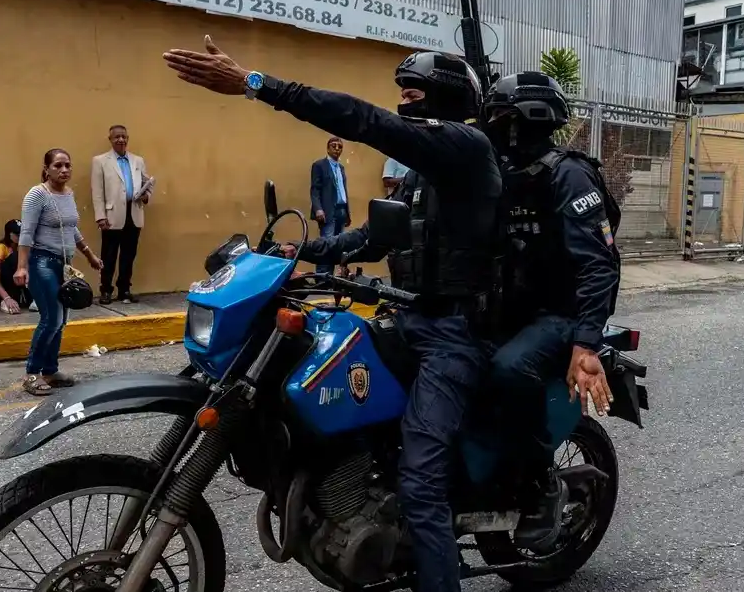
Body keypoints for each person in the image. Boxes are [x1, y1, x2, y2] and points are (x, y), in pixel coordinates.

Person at [163, 36, 500, 592]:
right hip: (413, 320)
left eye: (415, 87)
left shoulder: (465, 147)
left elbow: (365, 121)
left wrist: (256, 83)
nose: (403, 96)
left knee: (420, 485)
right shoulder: (425, 177)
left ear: (449, 94)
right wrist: (295, 255)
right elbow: (370, 238)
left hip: (454, 336)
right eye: (401, 89)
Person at [482, 71, 619, 553]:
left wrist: (585, 344)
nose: (493, 127)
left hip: (561, 313)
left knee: (509, 368)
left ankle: (541, 484)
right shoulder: (499, 171)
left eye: (500, 118)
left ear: (526, 121)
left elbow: (599, 266)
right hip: (513, 307)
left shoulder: (568, 173)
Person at [16, 148, 103, 396]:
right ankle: (32, 373)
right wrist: (22, 266)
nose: (64, 170)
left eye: (67, 165)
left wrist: (89, 255)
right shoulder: (37, 195)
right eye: (58, 166)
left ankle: (50, 371)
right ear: (46, 169)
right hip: (41, 262)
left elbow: (71, 228)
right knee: (51, 318)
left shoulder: (68, 194)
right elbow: (27, 233)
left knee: (62, 319)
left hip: (63, 265)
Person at [91, 125, 153, 305]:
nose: (121, 140)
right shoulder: (100, 161)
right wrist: (100, 216)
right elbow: (97, 191)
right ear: (110, 139)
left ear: (128, 138)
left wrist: (146, 196)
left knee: (129, 255)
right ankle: (106, 290)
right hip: (112, 215)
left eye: (124, 137)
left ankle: (124, 289)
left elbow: (146, 183)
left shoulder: (137, 160)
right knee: (108, 255)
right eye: (116, 137)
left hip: (134, 213)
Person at [309, 136, 351, 274]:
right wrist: (318, 209)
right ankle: (321, 276)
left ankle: (330, 278)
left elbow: (343, 189)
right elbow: (315, 189)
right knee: (325, 245)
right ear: (328, 148)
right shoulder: (319, 165)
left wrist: (347, 213)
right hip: (327, 212)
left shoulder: (341, 167)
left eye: (340, 147)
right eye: (334, 146)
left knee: (338, 247)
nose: (337, 149)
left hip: (341, 211)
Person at [0, 219, 34, 314]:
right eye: (18, 235)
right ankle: (7, 301)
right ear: (9, 234)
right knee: (15, 257)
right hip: (8, 288)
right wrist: (6, 298)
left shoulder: (26, 246)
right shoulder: (1, 248)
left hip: (25, 287)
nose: (20, 238)